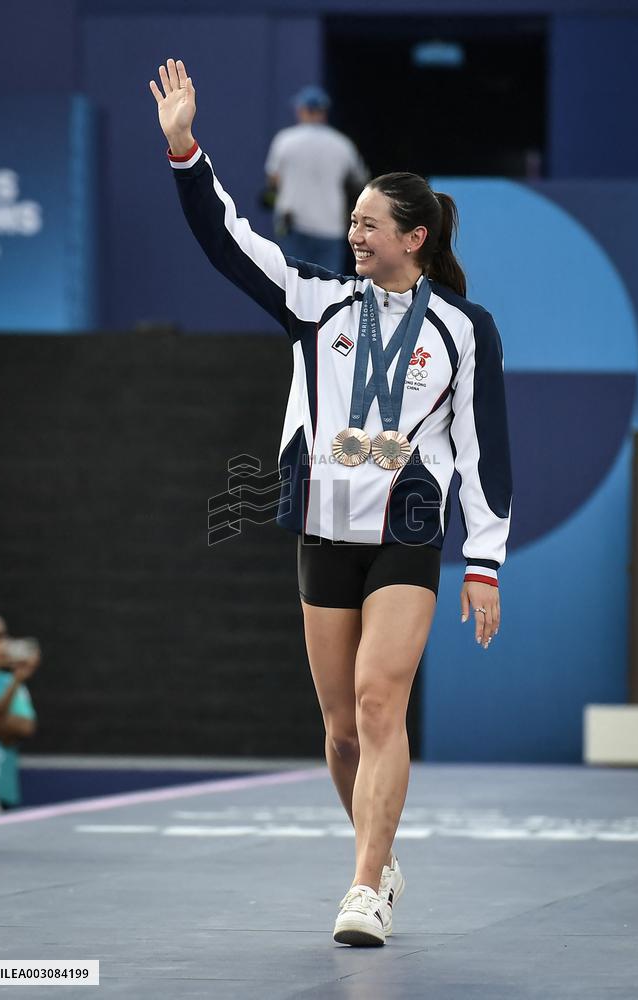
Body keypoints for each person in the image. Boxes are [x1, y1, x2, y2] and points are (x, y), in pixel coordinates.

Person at [150, 59, 512, 947]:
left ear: (414, 238)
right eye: (350, 222)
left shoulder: (465, 329)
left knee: (381, 702)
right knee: (344, 731)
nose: (353, 234)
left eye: (368, 224)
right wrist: (185, 148)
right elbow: (228, 240)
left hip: (407, 529)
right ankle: (379, 856)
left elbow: (483, 450)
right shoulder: (315, 301)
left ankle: (363, 889)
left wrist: (484, 563)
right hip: (322, 526)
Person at [264, 84, 369, 273]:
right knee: (328, 286)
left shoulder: (285, 140)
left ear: (302, 110)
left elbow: (273, 180)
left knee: (291, 283)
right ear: (323, 112)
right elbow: (361, 182)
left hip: (294, 225)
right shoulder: (342, 144)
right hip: (330, 227)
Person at [0, 613, 39, 811]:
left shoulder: (8, 683)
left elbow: (23, 728)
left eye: (2, 637)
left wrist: (17, 679)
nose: (1, 645)